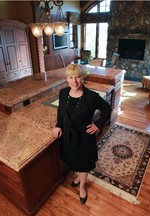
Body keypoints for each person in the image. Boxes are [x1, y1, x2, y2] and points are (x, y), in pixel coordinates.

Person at [51, 64, 111, 204]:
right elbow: (60, 111)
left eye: (77, 77)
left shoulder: (91, 97)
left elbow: (107, 109)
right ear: (67, 79)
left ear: (82, 77)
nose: (74, 81)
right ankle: (78, 177)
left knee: (84, 163)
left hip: (84, 137)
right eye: (71, 77)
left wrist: (98, 125)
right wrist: (59, 126)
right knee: (73, 160)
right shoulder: (63, 93)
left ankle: (82, 187)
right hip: (68, 136)